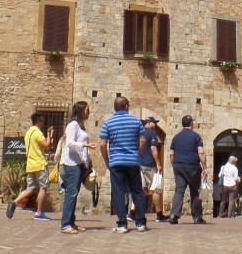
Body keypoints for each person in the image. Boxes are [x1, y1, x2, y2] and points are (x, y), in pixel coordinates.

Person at [99, 96, 148, 233]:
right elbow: (143, 140)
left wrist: (107, 160)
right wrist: (137, 154)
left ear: (115, 107)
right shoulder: (136, 121)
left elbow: (102, 144)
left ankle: (122, 223)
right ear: (127, 107)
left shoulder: (108, 123)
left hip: (116, 161)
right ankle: (140, 222)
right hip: (132, 161)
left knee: (118, 192)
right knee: (137, 191)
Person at [7, 112, 54, 221]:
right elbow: (47, 145)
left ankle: (14, 201)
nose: (43, 123)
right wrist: (49, 135)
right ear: (38, 121)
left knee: (31, 188)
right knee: (43, 187)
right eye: (42, 121)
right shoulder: (38, 133)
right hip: (40, 164)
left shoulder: (28, 133)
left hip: (30, 165)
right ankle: (39, 212)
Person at [59, 102, 93, 234]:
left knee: (73, 193)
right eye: (87, 110)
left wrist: (88, 160)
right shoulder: (72, 125)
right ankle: (66, 224)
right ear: (81, 111)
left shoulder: (80, 125)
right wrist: (86, 146)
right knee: (71, 194)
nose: (89, 112)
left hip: (79, 163)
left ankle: (71, 222)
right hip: (71, 164)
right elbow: (70, 143)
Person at [168, 115, 207, 225]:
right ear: (191, 124)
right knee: (195, 191)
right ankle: (197, 216)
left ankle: (173, 215)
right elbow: (201, 152)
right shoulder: (196, 137)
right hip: (193, 166)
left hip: (179, 167)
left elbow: (171, 154)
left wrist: (174, 165)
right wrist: (205, 167)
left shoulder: (176, 137)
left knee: (179, 190)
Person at [138, 117, 167, 223]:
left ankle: (133, 213)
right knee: (156, 189)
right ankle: (159, 214)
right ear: (149, 123)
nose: (155, 125)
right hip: (149, 164)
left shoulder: (138, 132)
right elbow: (153, 148)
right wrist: (158, 163)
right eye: (154, 122)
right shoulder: (151, 133)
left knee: (139, 189)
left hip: (138, 164)